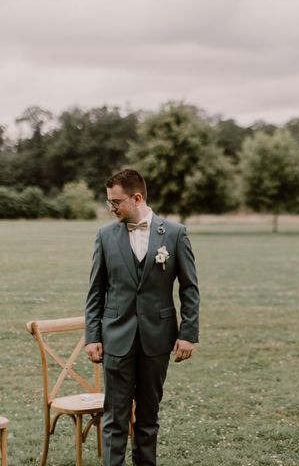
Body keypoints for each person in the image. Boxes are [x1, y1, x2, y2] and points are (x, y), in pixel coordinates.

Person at [85, 169, 199, 466]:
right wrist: (93, 336)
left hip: (157, 338)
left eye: (116, 202)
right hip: (116, 338)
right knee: (114, 418)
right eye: (109, 202)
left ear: (137, 197)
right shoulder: (105, 236)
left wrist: (188, 333)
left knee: (148, 417)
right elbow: (95, 291)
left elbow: (189, 289)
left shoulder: (175, 234)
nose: (111, 208)